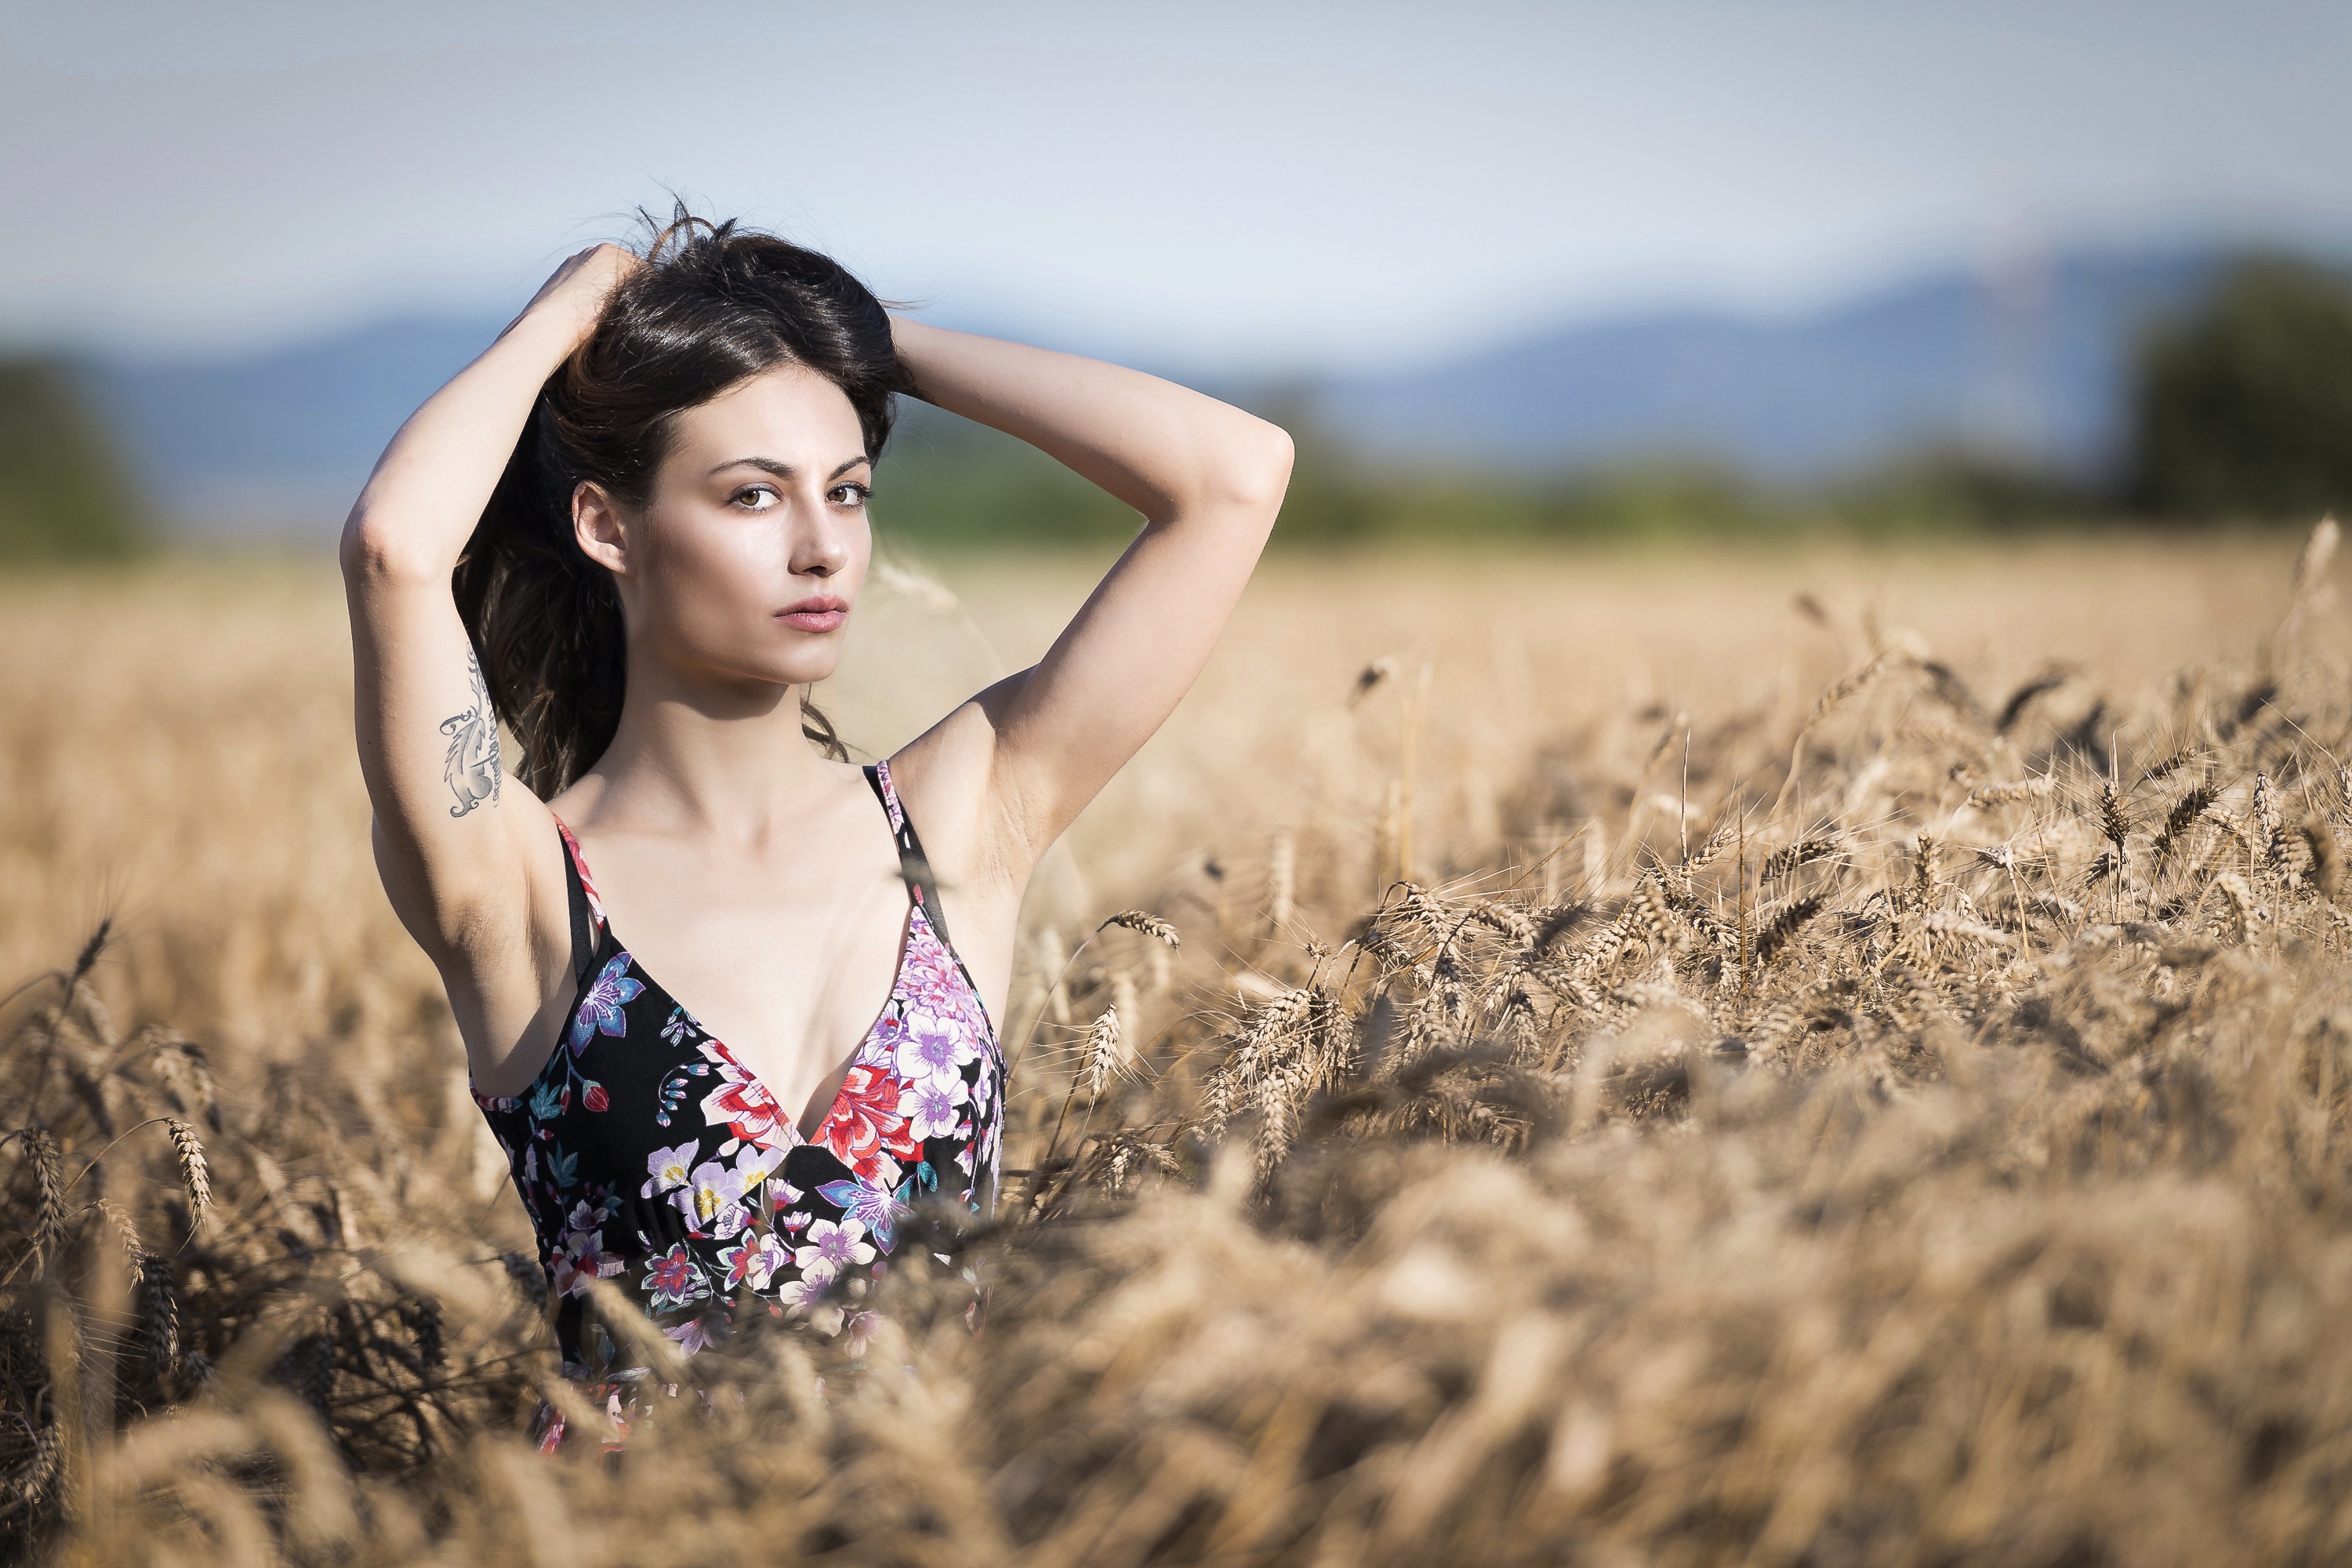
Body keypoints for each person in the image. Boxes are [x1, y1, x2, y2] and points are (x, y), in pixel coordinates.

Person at [339, 213, 1291, 1444]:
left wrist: (854, 338)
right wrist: (571, 312)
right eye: (753, 495)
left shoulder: (962, 816)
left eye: (847, 492)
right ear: (606, 526)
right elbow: (394, 546)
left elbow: (1233, 476)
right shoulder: (512, 888)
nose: (823, 546)